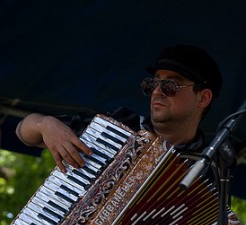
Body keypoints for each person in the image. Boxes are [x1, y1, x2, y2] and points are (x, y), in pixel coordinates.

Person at [15, 44, 240, 224]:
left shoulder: (207, 169)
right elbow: (24, 131)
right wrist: (45, 124)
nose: (157, 92)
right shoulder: (117, 126)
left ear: (203, 98)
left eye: (171, 85)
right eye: (154, 83)